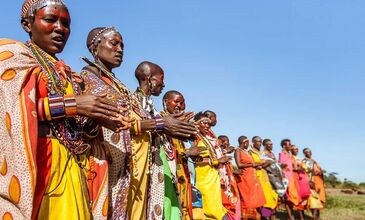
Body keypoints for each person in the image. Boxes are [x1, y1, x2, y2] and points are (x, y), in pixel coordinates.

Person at [0, 1, 129, 219]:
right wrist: (74, 105)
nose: (60, 28)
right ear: (27, 24)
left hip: (72, 164)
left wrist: (97, 118)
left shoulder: (69, 75)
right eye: (50, 20)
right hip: (37, 163)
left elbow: (76, 130)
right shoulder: (12, 56)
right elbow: (13, 109)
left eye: (66, 23)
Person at [80, 28, 197, 219]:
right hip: (108, 166)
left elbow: (138, 120)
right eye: (114, 43)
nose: (120, 50)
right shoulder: (87, 79)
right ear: (95, 46)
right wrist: (160, 124)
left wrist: (169, 123)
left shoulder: (118, 86)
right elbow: (117, 121)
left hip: (135, 166)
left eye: (122, 45)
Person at [161, 90, 204, 220]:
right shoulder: (160, 120)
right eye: (176, 102)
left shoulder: (182, 124)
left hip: (183, 175)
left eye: (182, 102)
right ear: (165, 103)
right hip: (166, 174)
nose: (179, 105)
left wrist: (192, 155)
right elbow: (161, 148)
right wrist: (186, 153)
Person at [192, 112, 228, 219]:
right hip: (202, 179)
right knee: (207, 209)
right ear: (197, 123)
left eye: (208, 123)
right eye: (204, 123)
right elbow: (193, 159)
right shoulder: (194, 138)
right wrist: (216, 161)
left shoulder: (205, 137)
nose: (207, 125)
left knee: (215, 207)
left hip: (211, 177)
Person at [234, 136, 265, 220]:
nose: (249, 144)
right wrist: (253, 165)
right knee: (247, 198)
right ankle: (246, 217)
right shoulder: (238, 150)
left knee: (254, 197)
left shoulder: (246, 152)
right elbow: (239, 165)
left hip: (252, 176)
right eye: (247, 142)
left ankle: (255, 216)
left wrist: (258, 164)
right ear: (244, 142)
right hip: (245, 177)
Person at [249, 136, 278, 220]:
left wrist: (265, 163)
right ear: (253, 142)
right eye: (258, 141)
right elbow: (255, 164)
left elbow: (264, 164)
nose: (260, 143)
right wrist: (266, 163)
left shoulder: (262, 153)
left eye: (260, 142)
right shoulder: (250, 152)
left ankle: (267, 216)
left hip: (265, 176)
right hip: (257, 177)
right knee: (262, 199)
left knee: (269, 198)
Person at [217, 135, 241, 220]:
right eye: (226, 143)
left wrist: (234, 172)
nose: (229, 145)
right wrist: (225, 151)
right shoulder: (217, 153)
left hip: (230, 186)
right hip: (222, 186)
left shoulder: (226, 158)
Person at [278, 139, 300, 220]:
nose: (290, 146)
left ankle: (291, 217)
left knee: (291, 198)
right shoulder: (282, 153)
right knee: (289, 198)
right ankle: (291, 217)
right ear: (284, 146)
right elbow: (281, 165)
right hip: (287, 178)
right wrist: (283, 168)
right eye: (289, 144)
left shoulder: (289, 154)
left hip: (292, 177)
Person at [303, 148, 326, 214]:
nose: (308, 153)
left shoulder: (313, 160)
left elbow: (317, 169)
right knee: (314, 199)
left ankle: (317, 217)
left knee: (319, 198)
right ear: (304, 153)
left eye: (309, 151)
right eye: (306, 152)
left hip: (319, 181)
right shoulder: (305, 161)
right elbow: (306, 171)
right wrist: (316, 173)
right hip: (312, 181)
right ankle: (314, 216)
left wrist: (321, 171)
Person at [291, 146, 311, 220]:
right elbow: (291, 168)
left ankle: (302, 216)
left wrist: (305, 169)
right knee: (300, 197)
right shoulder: (291, 158)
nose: (296, 150)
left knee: (305, 197)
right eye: (294, 149)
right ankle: (301, 217)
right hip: (298, 178)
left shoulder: (299, 158)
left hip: (304, 178)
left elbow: (306, 168)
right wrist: (299, 168)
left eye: (297, 149)